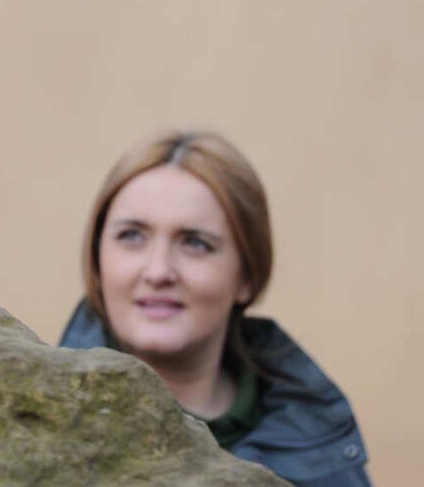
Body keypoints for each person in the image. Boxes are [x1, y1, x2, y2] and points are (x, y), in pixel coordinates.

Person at [59, 131, 370, 486]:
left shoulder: (321, 451)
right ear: (98, 259)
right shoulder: (28, 426)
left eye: (195, 243)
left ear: (247, 275)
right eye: (132, 236)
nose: (159, 271)